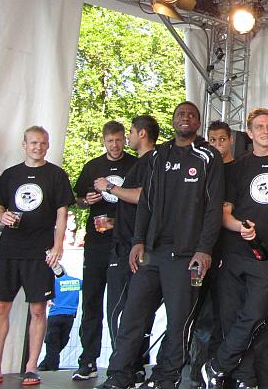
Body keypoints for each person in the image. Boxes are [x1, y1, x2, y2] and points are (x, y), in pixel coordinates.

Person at [95, 101, 224, 389]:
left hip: (187, 255)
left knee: (178, 322)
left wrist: (204, 249)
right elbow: (146, 202)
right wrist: (138, 240)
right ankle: (120, 375)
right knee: (133, 315)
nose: (185, 118)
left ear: (198, 123)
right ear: (173, 121)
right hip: (152, 252)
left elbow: (214, 208)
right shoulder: (158, 155)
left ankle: (166, 378)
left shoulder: (208, 156)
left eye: (191, 115)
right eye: (180, 114)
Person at [202, 108, 268, 389]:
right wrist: (241, 227)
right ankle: (244, 378)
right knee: (231, 320)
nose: (265, 131)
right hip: (233, 254)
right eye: (259, 127)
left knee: (254, 316)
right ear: (249, 133)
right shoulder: (237, 167)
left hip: (266, 257)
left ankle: (216, 366)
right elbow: (224, 214)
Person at [0, 126, 74, 387]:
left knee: (38, 309)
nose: (38, 147)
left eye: (42, 143)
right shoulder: (11, 174)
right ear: (24, 145)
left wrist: (58, 245)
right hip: (9, 250)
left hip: (40, 252)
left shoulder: (56, 175)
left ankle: (32, 366)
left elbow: (62, 213)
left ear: (48, 145)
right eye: (33, 143)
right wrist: (1, 216)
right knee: (1, 306)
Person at [94, 115, 160, 384]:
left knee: (120, 311)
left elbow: (144, 196)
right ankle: (131, 366)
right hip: (128, 240)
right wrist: (115, 222)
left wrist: (109, 187)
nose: (128, 138)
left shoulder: (151, 161)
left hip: (131, 248)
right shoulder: (149, 161)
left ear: (142, 133)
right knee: (134, 310)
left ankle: (122, 367)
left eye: (130, 132)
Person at [72, 121, 137, 380]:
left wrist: (117, 222)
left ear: (125, 139)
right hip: (96, 244)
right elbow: (77, 199)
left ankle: (123, 362)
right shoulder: (93, 166)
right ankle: (88, 359)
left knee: (122, 305)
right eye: (110, 141)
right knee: (91, 301)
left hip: (124, 244)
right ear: (104, 141)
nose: (115, 145)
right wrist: (86, 200)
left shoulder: (134, 165)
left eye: (119, 140)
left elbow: (143, 202)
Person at [189, 120, 236, 388]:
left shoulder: (238, 169)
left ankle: (216, 370)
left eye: (222, 139)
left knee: (222, 313)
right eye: (213, 140)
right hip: (200, 249)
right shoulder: (203, 168)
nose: (218, 145)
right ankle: (192, 368)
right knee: (192, 309)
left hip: (226, 251)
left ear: (231, 140)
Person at [38, 268, 82, 371]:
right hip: (69, 316)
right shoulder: (75, 282)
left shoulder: (52, 283)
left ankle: (51, 367)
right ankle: (45, 365)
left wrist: (48, 301)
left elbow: (42, 295)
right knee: (63, 340)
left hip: (55, 315)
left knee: (52, 342)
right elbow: (88, 285)